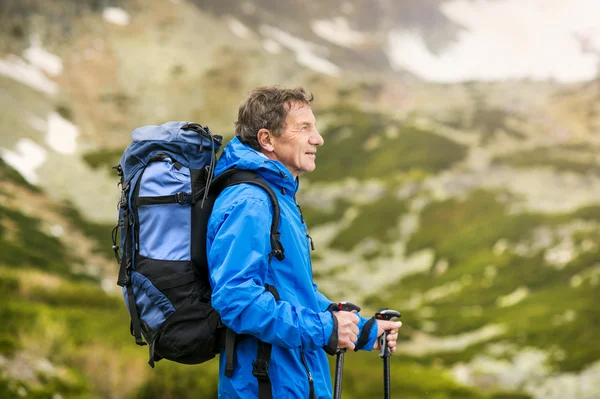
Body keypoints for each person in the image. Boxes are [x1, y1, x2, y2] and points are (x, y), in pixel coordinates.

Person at [206, 86, 402, 399]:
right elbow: (236, 299)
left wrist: (362, 331)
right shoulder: (250, 202)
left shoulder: (277, 197)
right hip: (265, 385)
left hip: (293, 380)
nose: (318, 138)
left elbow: (293, 293)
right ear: (267, 139)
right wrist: (324, 328)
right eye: (304, 128)